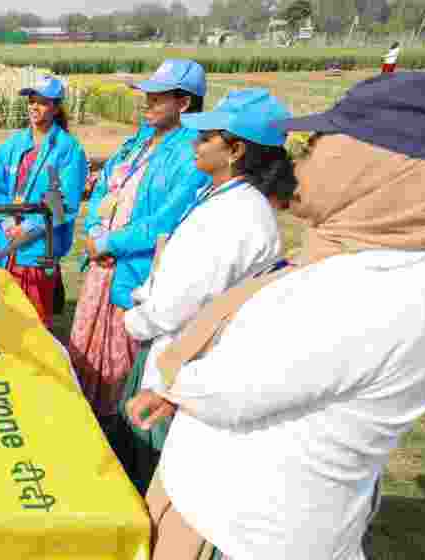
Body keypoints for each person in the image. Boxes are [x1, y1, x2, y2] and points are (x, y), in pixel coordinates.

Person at [128, 71, 425, 560]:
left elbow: (227, 389)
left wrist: (169, 371)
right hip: (220, 507)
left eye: (319, 142)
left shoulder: (380, 292)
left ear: (378, 168)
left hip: (248, 532)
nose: (303, 154)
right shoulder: (347, 255)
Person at [114, 88, 295, 495]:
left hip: (180, 360)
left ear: (234, 150)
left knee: (149, 472)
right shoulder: (224, 201)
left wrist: (134, 319)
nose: (195, 143)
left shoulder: (235, 217)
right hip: (175, 351)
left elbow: (177, 303)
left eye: (206, 137)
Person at [66, 59, 211, 428]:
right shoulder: (139, 141)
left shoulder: (191, 154)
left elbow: (166, 220)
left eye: (157, 98)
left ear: (184, 103)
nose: (146, 104)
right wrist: (97, 229)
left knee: (120, 368)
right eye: (146, 96)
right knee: (85, 353)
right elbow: (103, 188)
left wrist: (111, 242)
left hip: (133, 274)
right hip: (103, 266)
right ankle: (84, 421)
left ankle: (115, 440)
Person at [0, 75, 87, 328]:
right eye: (31, 100)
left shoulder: (69, 149)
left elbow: (64, 202)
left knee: (34, 322)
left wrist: (28, 229)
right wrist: (7, 223)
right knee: (3, 317)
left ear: (56, 106)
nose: (34, 107)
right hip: (4, 244)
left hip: (38, 249)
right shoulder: (13, 144)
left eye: (42, 102)